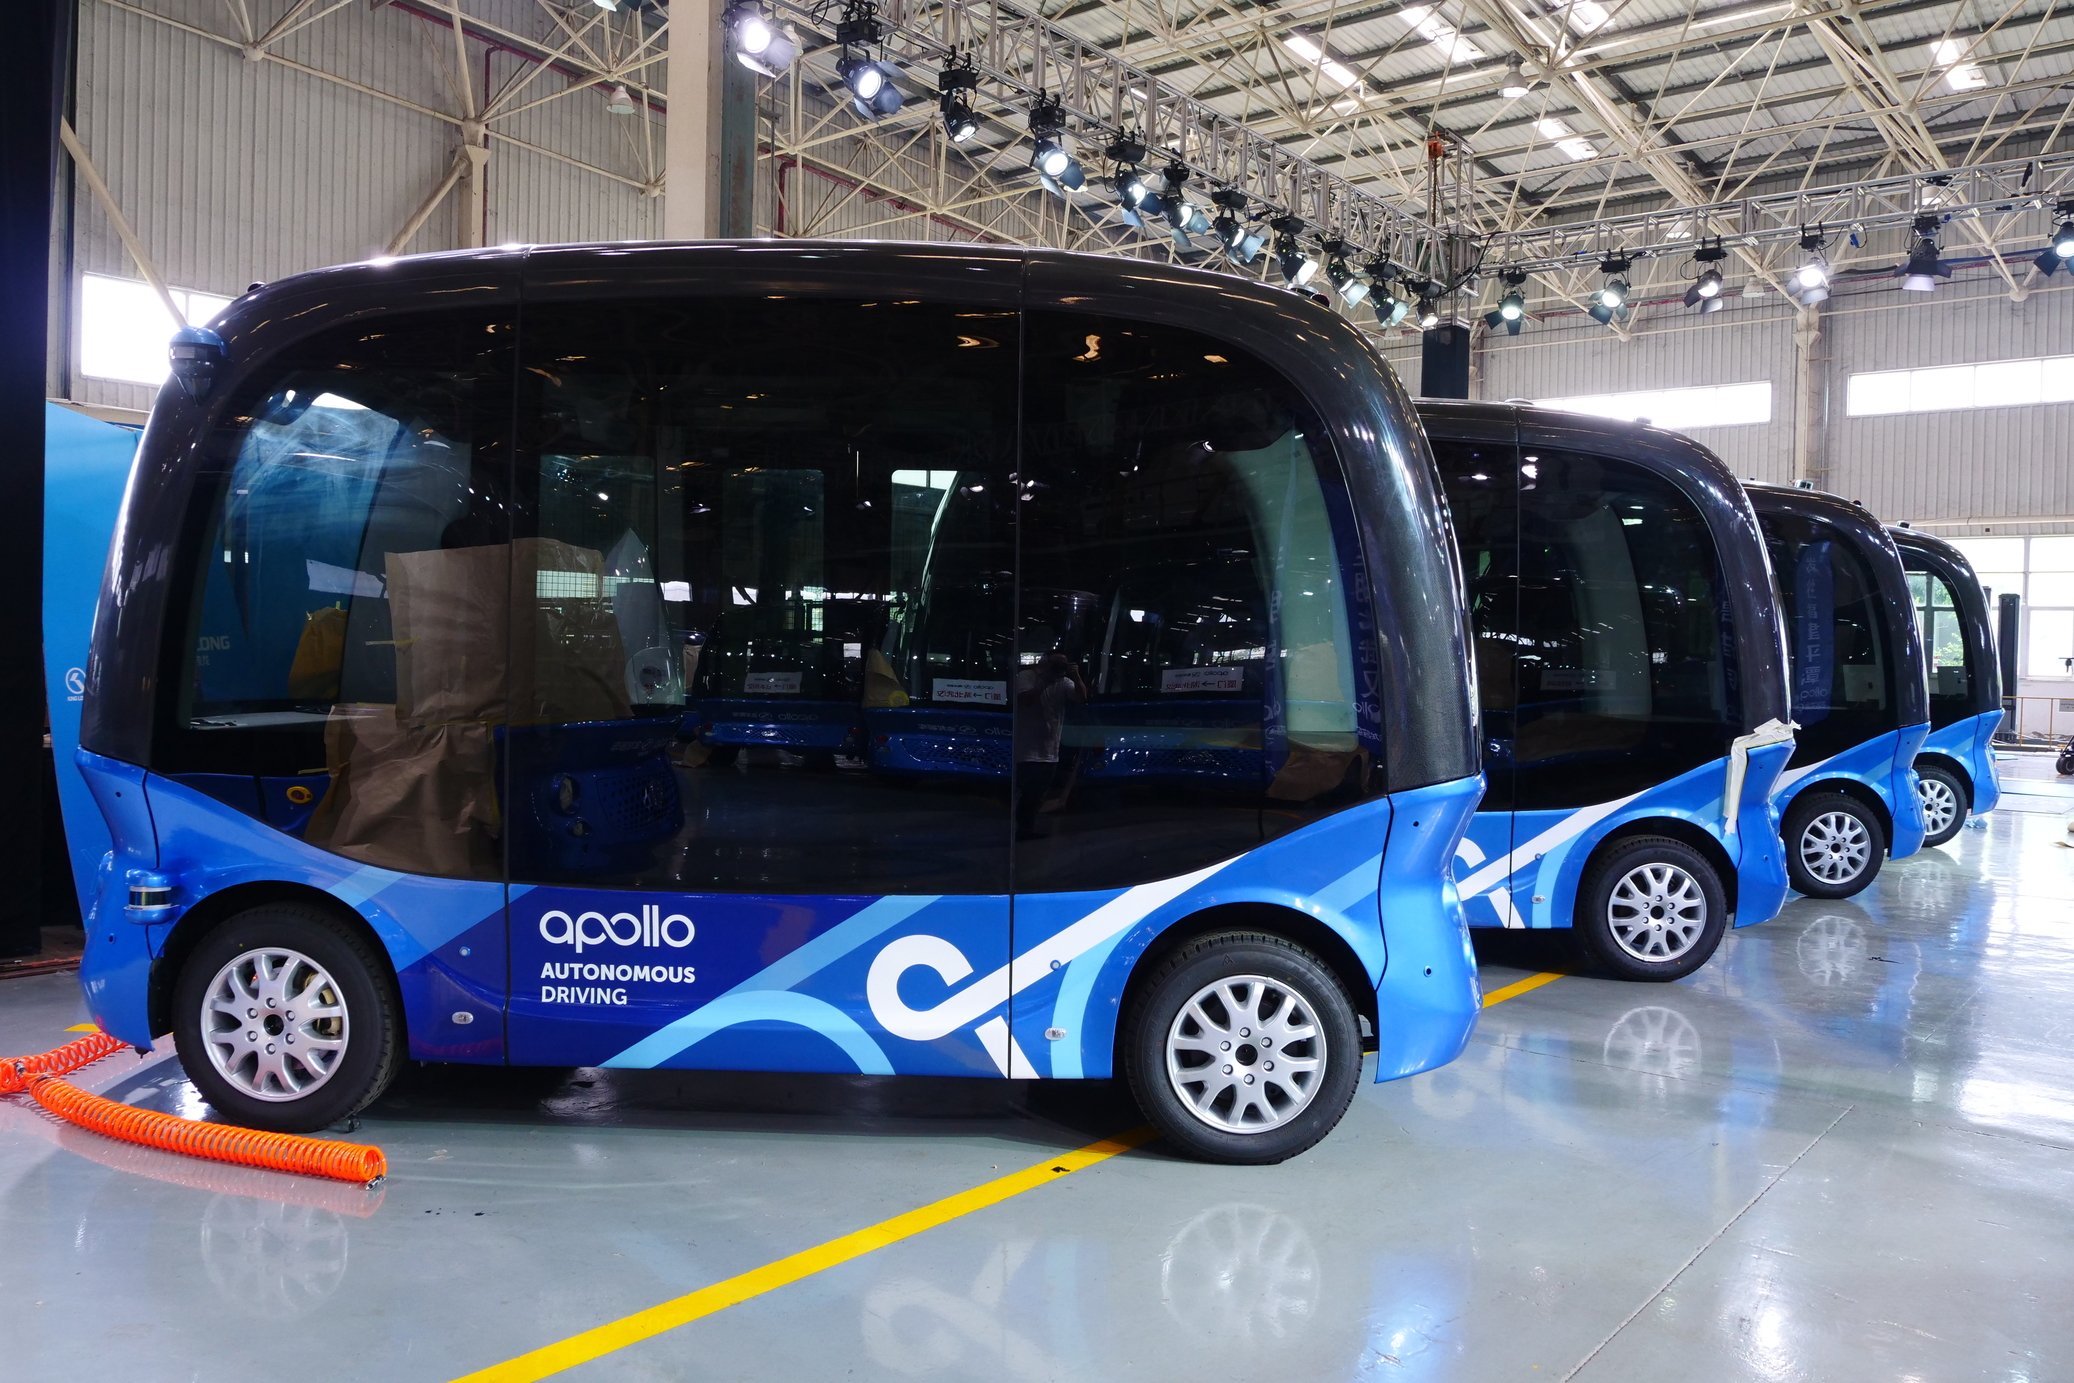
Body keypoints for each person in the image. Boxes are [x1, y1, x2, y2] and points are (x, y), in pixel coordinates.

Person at [1014, 649, 1085, 838]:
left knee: (1039, 793)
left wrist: (1076, 676)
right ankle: (1022, 827)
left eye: (1062, 664)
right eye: (1055, 663)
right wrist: (1044, 680)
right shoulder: (1027, 676)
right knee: (1027, 791)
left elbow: (1081, 697)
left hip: (1050, 749)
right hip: (1027, 748)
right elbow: (1025, 700)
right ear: (1044, 662)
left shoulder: (1063, 681)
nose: (1058, 667)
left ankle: (1026, 828)